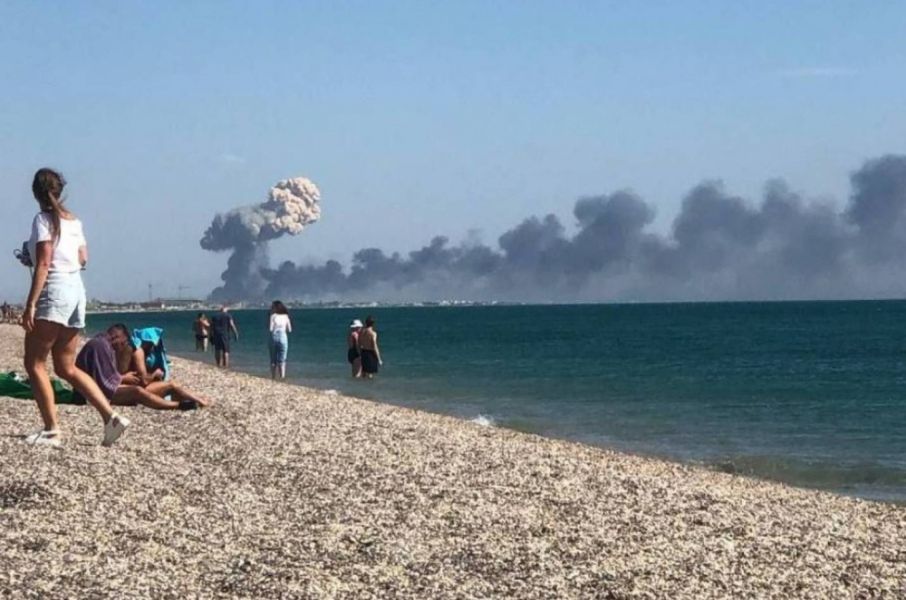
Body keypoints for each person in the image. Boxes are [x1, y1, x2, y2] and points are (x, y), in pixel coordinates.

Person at [21, 168, 129, 447]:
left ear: (36, 193)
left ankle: (52, 429)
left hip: (54, 290)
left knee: (34, 363)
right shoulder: (74, 221)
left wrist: (30, 304)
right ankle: (110, 417)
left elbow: (45, 262)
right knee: (66, 366)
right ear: (59, 191)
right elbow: (83, 258)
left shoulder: (43, 219)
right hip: (76, 292)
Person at [78, 324, 210, 411]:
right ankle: (180, 405)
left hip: (93, 389)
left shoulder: (102, 344)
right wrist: (152, 374)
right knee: (140, 391)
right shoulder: (103, 346)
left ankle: (195, 401)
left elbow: (104, 374)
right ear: (117, 337)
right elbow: (105, 380)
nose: (121, 347)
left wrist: (122, 377)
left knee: (170, 386)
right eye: (123, 343)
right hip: (97, 393)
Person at [269, 300, 292, 379]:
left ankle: (273, 377)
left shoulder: (273, 316)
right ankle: (282, 377)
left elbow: (271, 329)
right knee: (282, 360)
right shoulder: (286, 316)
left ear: (275, 308)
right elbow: (290, 329)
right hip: (283, 337)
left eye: (272, 307)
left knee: (273, 359)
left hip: (274, 337)